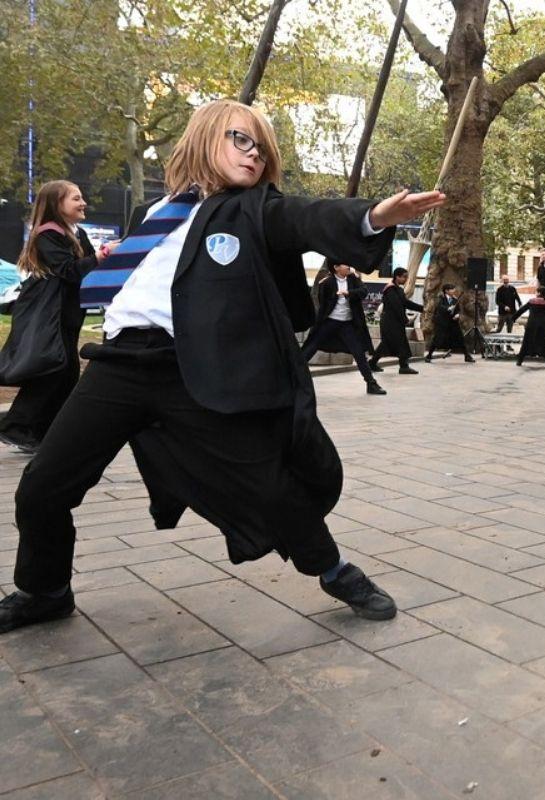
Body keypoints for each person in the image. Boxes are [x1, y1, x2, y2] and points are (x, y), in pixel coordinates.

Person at [0, 99, 445, 635]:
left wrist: (373, 217)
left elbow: (302, 216)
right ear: (205, 138)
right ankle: (45, 589)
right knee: (42, 484)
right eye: (241, 139)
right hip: (117, 364)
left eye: (262, 147)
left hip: (190, 369)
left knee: (264, 482)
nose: (254, 153)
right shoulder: (154, 214)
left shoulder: (252, 209)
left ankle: (335, 571)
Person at [0, 181, 107, 453]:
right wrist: (103, 256)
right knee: (53, 371)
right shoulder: (48, 234)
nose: (83, 203)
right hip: (49, 314)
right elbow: (70, 270)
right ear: (56, 205)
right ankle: (16, 427)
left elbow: (85, 269)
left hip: (68, 314)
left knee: (66, 374)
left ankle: (42, 432)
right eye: (76, 198)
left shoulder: (77, 233)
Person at [301, 263, 386, 395]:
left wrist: (348, 292)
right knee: (310, 348)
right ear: (336, 267)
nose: (349, 266)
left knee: (359, 353)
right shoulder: (327, 282)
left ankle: (371, 384)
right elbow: (322, 301)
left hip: (347, 324)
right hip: (329, 322)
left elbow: (363, 292)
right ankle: (289, 378)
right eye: (345, 264)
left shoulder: (353, 280)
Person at [368, 267, 423, 374]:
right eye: (404, 277)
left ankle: (372, 363)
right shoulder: (390, 289)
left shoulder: (398, 289)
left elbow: (405, 303)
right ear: (397, 277)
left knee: (388, 344)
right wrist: (405, 319)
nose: (406, 279)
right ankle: (403, 366)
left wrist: (422, 308)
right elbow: (396, 306)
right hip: (390, 322)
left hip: (395, 322)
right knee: (399, 343)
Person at [512, 286, 545, 368]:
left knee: (526, 343)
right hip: (544, 326)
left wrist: (514, 318)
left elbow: (522, 310)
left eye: (537, 292)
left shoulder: (532, 301)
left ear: (539, 293)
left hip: (531, 326)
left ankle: (520, 360)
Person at [425, 284, 475, 363]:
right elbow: (440, 307)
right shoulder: (441, 299)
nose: (454, 291)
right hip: (443, 323)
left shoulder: (455, 300)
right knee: (437, 339)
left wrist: (457, 315)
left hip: (453, 323)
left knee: (461, 339)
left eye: (453, 289)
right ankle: (429, 355)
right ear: (446, 291)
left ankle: (467, 356)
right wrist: (448, 308)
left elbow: (458, 310)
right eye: (452, 289)